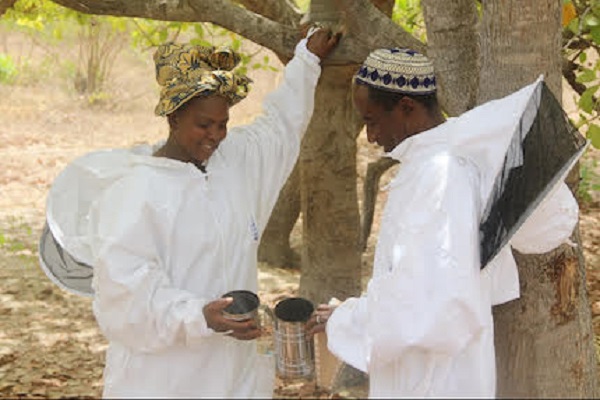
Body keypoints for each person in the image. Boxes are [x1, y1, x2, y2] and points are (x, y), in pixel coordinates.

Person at [40, 28, 340, 398]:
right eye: (203, 124)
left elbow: (281, 127)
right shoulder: (136, 192)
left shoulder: (233, 165)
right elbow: (124, 294)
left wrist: (307, 61)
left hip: (234, 372)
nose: (215, 135)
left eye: (223, 124)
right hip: (165, 378)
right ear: (173, 119)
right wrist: (198, 316)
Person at [307, 48, 582, 397]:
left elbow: (430, 300)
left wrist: (347, 319)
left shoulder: (442, 174)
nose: (371, 137)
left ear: (407, 107)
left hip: (438, 379)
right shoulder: (430, 166)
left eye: (372, 120)